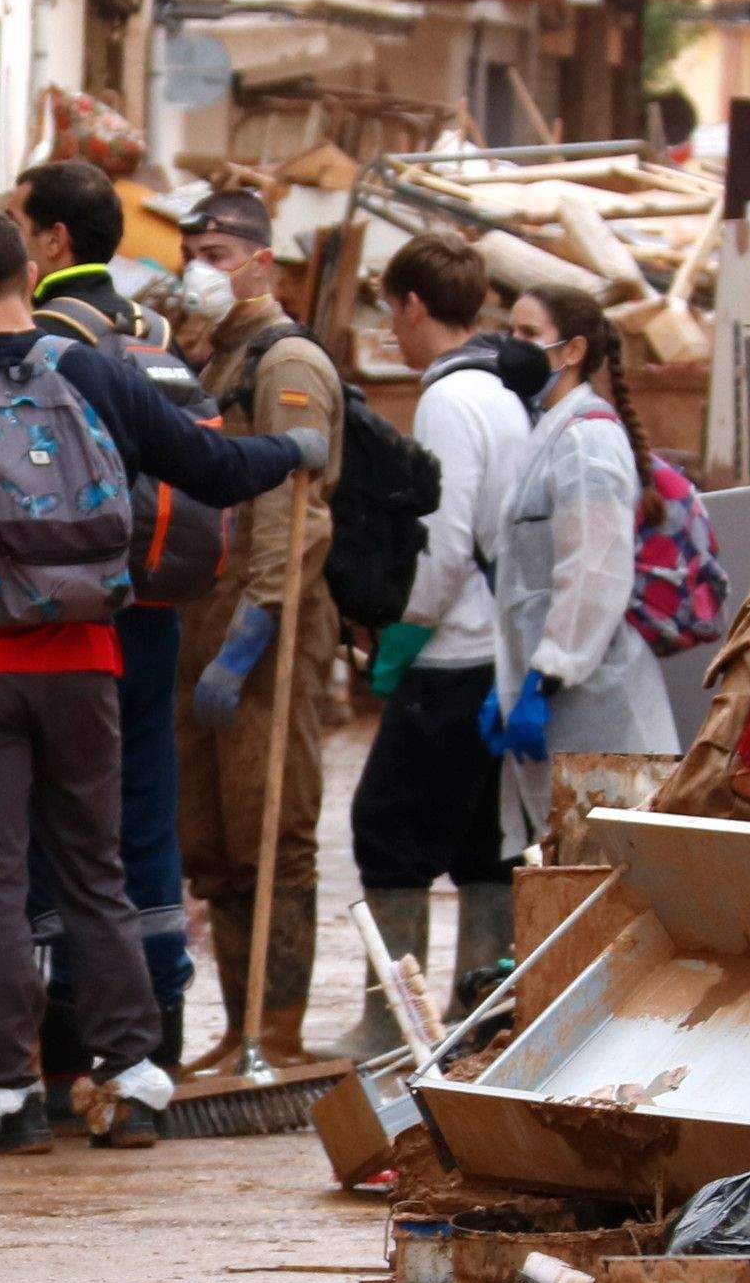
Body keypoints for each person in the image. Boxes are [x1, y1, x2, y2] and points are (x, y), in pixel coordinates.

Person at [0, 205, 315, 1155]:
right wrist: (292, 453)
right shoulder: (100, 374)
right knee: (95, 871)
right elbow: (211, 467)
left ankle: (2, 1094)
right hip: (86, 661)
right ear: (31, 272)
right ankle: (134, 1075)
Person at [16, 159, 202, 1074]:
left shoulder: (48, 344)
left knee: (63, 813)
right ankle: (158, 1019)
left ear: (54, 239)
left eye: (23, 225)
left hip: (70, 612)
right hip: (159, 606)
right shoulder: (156, 333)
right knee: (146, 805)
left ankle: (67, 1030)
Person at [342, 232, 539, 1052]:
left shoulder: (450, 401)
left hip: (453, 649)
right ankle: (482, 1013)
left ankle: (394, 1022)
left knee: (385, 826)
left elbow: (443, 538)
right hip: (498, 649)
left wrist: (399, 631)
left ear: (414, 305)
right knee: (481, 841)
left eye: (394, 310)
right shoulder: (503, 392)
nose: (396, 326)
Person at [166, 188, 342, 1065]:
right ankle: (237, 1027)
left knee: (272, 827)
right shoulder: (211, 358)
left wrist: (253, 629)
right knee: (215, 836)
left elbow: (292, 513)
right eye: (191, 250)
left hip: (268, 629)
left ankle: (279, 1029)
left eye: (220, 252)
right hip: (203, 620)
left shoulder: (285, 362)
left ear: (262, 262)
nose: (202, 267)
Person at [487, 281, 680, 865]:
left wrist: (543, 679)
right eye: (510, 330)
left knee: (602, 881)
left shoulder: (588, 441)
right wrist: (508, 687)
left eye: (528, 334)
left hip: (595, 704)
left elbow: (593, 573)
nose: (511, 345)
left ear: (571, 351)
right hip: (557, 698)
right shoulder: (549, 434)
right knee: (564, 872)